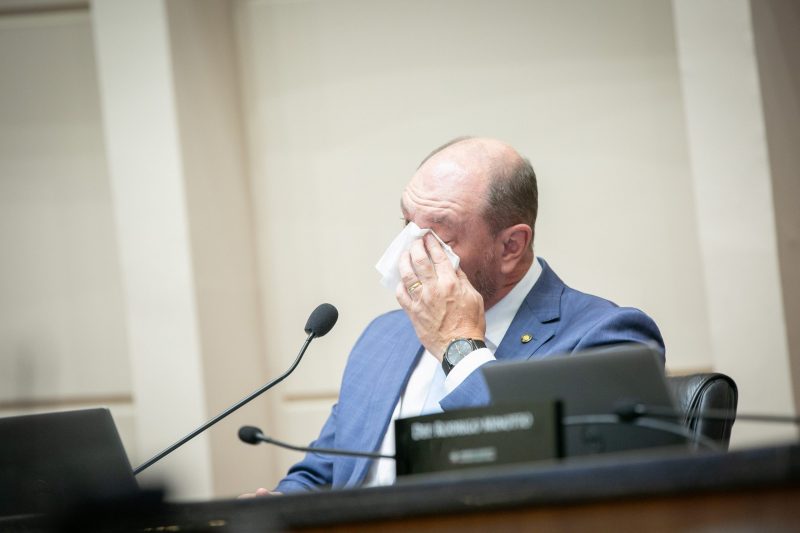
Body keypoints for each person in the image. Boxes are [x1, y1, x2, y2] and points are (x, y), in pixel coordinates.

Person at [245, 136, 663, 495]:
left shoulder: (605, 336)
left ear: (511, 246)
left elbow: (561, 483)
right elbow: (324, 473)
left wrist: (457, 344)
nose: (409, 251)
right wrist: (278, 504)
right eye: (406, 222)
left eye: (436, 235)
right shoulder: (383, 338)